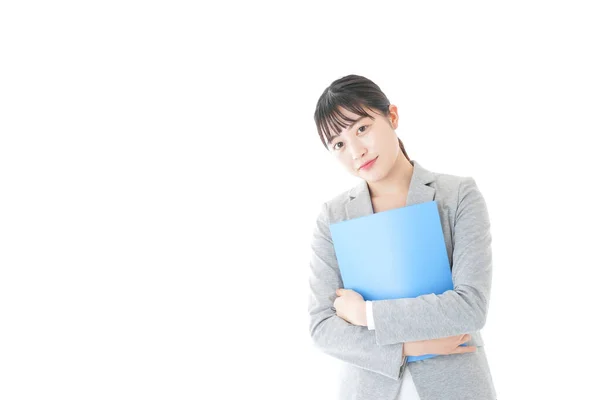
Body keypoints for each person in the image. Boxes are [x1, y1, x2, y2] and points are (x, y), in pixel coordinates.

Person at [307, 74, 497, 400]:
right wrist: (410, 347)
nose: (356, 151)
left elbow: (469, 308)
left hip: (457, 386)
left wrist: (366, 314)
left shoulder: (457, 195)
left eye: (362, 128)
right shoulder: (333, 217)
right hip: (366, 389)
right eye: (338, 144)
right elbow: (323, 329)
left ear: (392, 116)